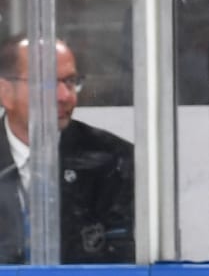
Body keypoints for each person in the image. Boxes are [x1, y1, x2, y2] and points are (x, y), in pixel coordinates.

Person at [0, 35, 134, 264]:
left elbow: (125, 262)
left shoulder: (112, 159)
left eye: (71, 81)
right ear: (5, 92)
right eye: (46, 83)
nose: (65, 96)